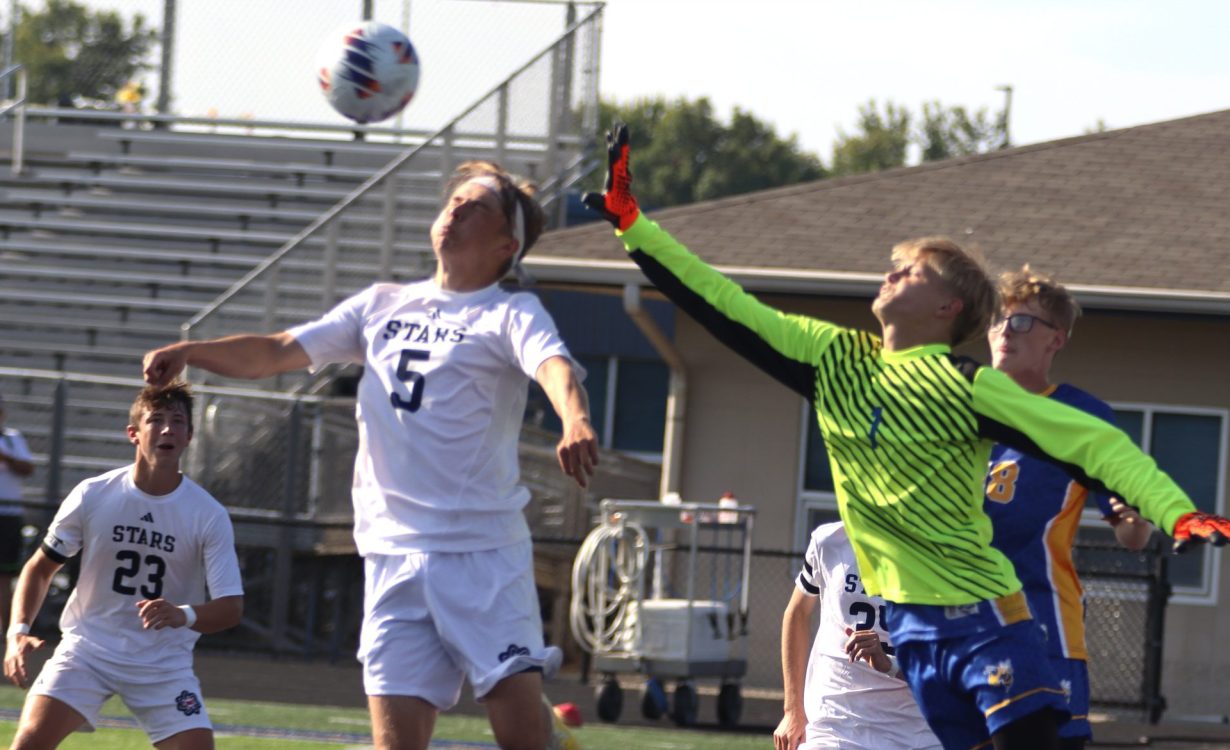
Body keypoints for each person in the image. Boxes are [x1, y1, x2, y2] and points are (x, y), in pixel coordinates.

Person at [582, 124, 1230, 750]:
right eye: (894, 267)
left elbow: (1093, 443)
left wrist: (1175, 510)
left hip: (984, 613)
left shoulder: (965, 384)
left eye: (913, 271)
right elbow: (722, 303)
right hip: (911, 632)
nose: (892, 274)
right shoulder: (834, 358)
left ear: (950, 308)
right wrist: (634, 226)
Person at [141, 160, 598, 750]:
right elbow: (276, 351)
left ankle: (546, 730)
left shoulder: (510, 312)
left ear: (506, 245)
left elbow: (553, 367)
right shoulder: (381, 303)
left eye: (477, 205)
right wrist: (191, 351)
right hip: (391, 552)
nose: (456, 209)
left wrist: (575, 418)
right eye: (454, 199)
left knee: (521, 739)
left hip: (481, 553)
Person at [3, 382, 244, 750]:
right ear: (133, 433)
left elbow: (231, 608)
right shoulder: (94, 493)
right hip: (88, 651)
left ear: (189, 436)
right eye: (156, 420)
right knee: (29, 743)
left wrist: (182, 614)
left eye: (178, 421)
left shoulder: (207, 513)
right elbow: (39, 568)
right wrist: (17, 632)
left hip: (163, 664)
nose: (167, 429)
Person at [984, 266, 1153, 749]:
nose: (1004, 331)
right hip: (961, 627)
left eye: (1021, 321)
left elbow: (1134, 534)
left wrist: (1134, 516)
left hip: (1042, 628)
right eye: (997, 319)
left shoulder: (1081, 414)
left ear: (1055, 339)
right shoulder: (959, 408)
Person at [774, 521, 941, 750]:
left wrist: (889, 665)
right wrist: (792, 709)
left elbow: (950, 671)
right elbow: (797, 612)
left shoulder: (942, 556)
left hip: (915, 731)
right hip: (835, 722)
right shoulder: (831, 540)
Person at [0, 392, 36, 634]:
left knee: (4, 575)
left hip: (8, 515)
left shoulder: (12, 438)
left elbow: (27, 467)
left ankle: (5, 632)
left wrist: (6, 457)